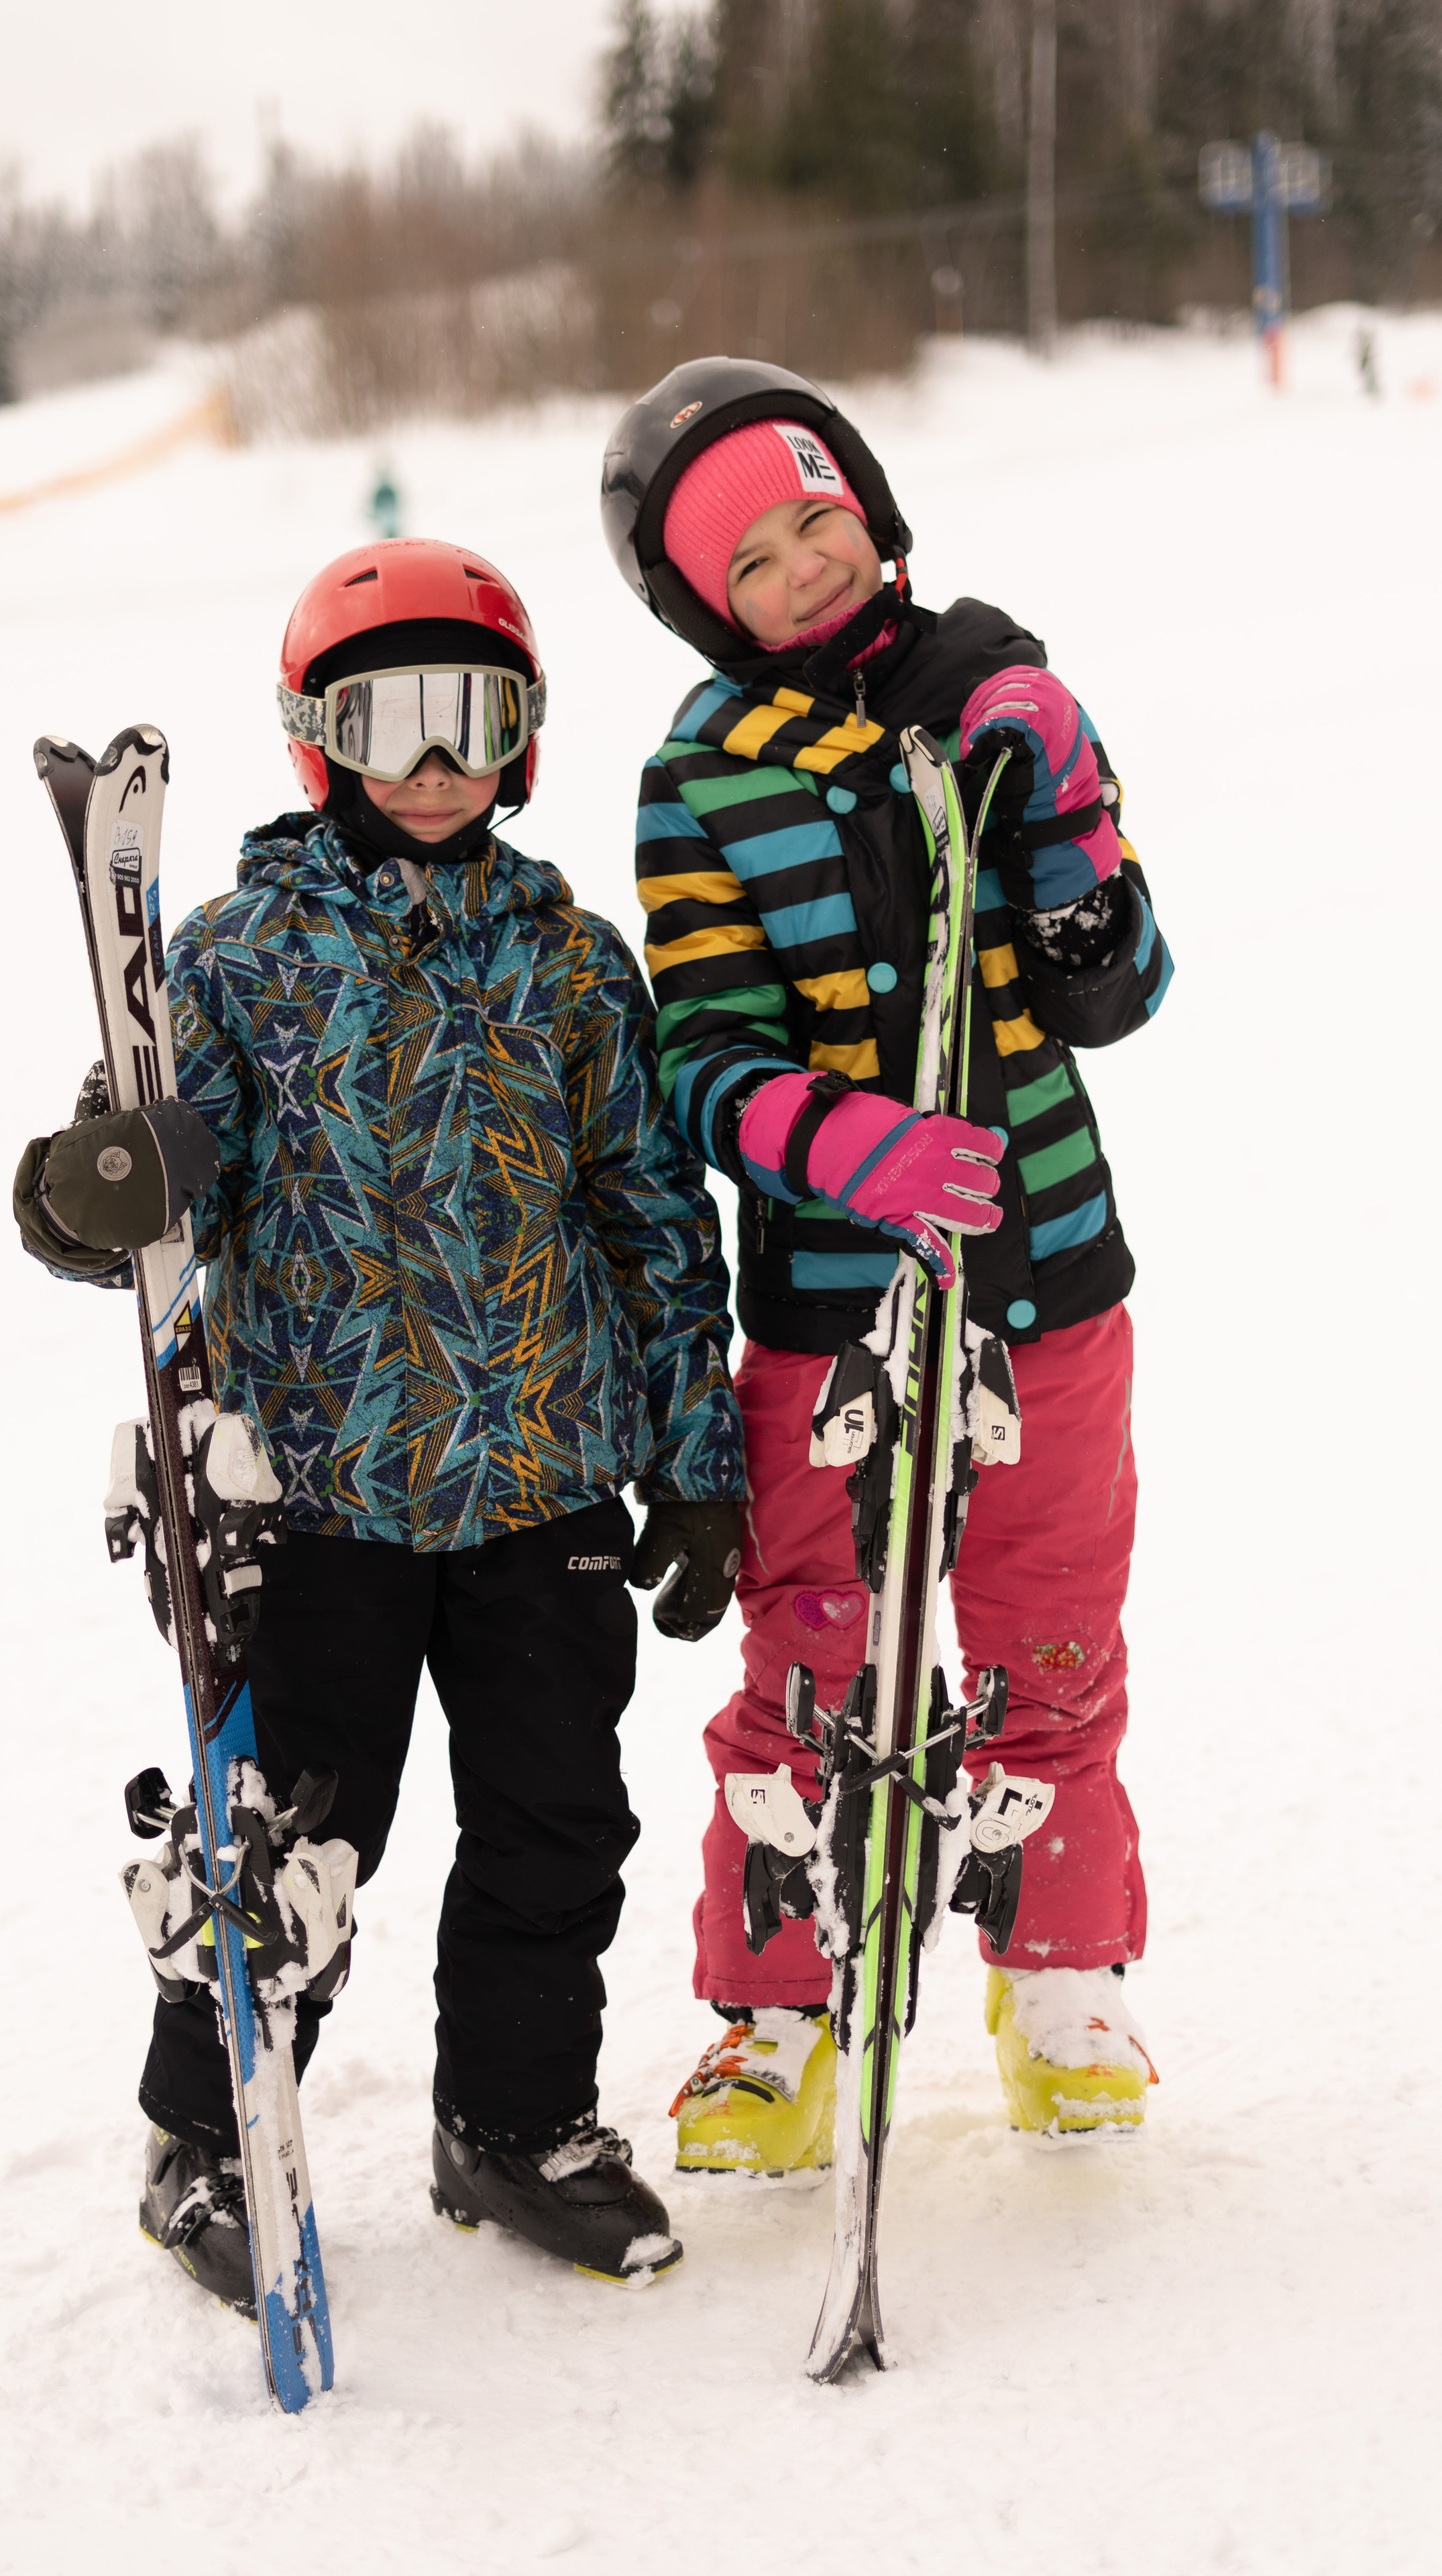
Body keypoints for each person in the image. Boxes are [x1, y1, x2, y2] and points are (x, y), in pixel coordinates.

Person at [13, 539, 746, 2302]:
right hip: (318, 1501)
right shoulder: (239, 959)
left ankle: (514, 2127)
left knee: (560, 1827)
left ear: (524, 736)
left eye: (472, 716)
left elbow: (652, 1214)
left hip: (547, 1487)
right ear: (318, 740)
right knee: (287, 1843)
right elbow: (115, 1213)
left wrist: (699, 1464)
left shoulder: (575, 963)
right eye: (389, 718)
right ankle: (207, 2137)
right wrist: (90, 1190)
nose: (434, 759)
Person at [598, 359, 1173, 2163]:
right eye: (755, 560)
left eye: (818, 520)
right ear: (707, 602)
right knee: (816, 1649)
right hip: (834, 1297)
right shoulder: (702, 778)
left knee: (1049, 1635)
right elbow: (699, 1057)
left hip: (1044, 1267)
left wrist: (1070, 815)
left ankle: (1060, 1966)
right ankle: (775, 2007)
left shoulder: (995, 689)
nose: (804, 568)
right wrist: (842, 1146)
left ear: (871, 508)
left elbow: (1121, 989)